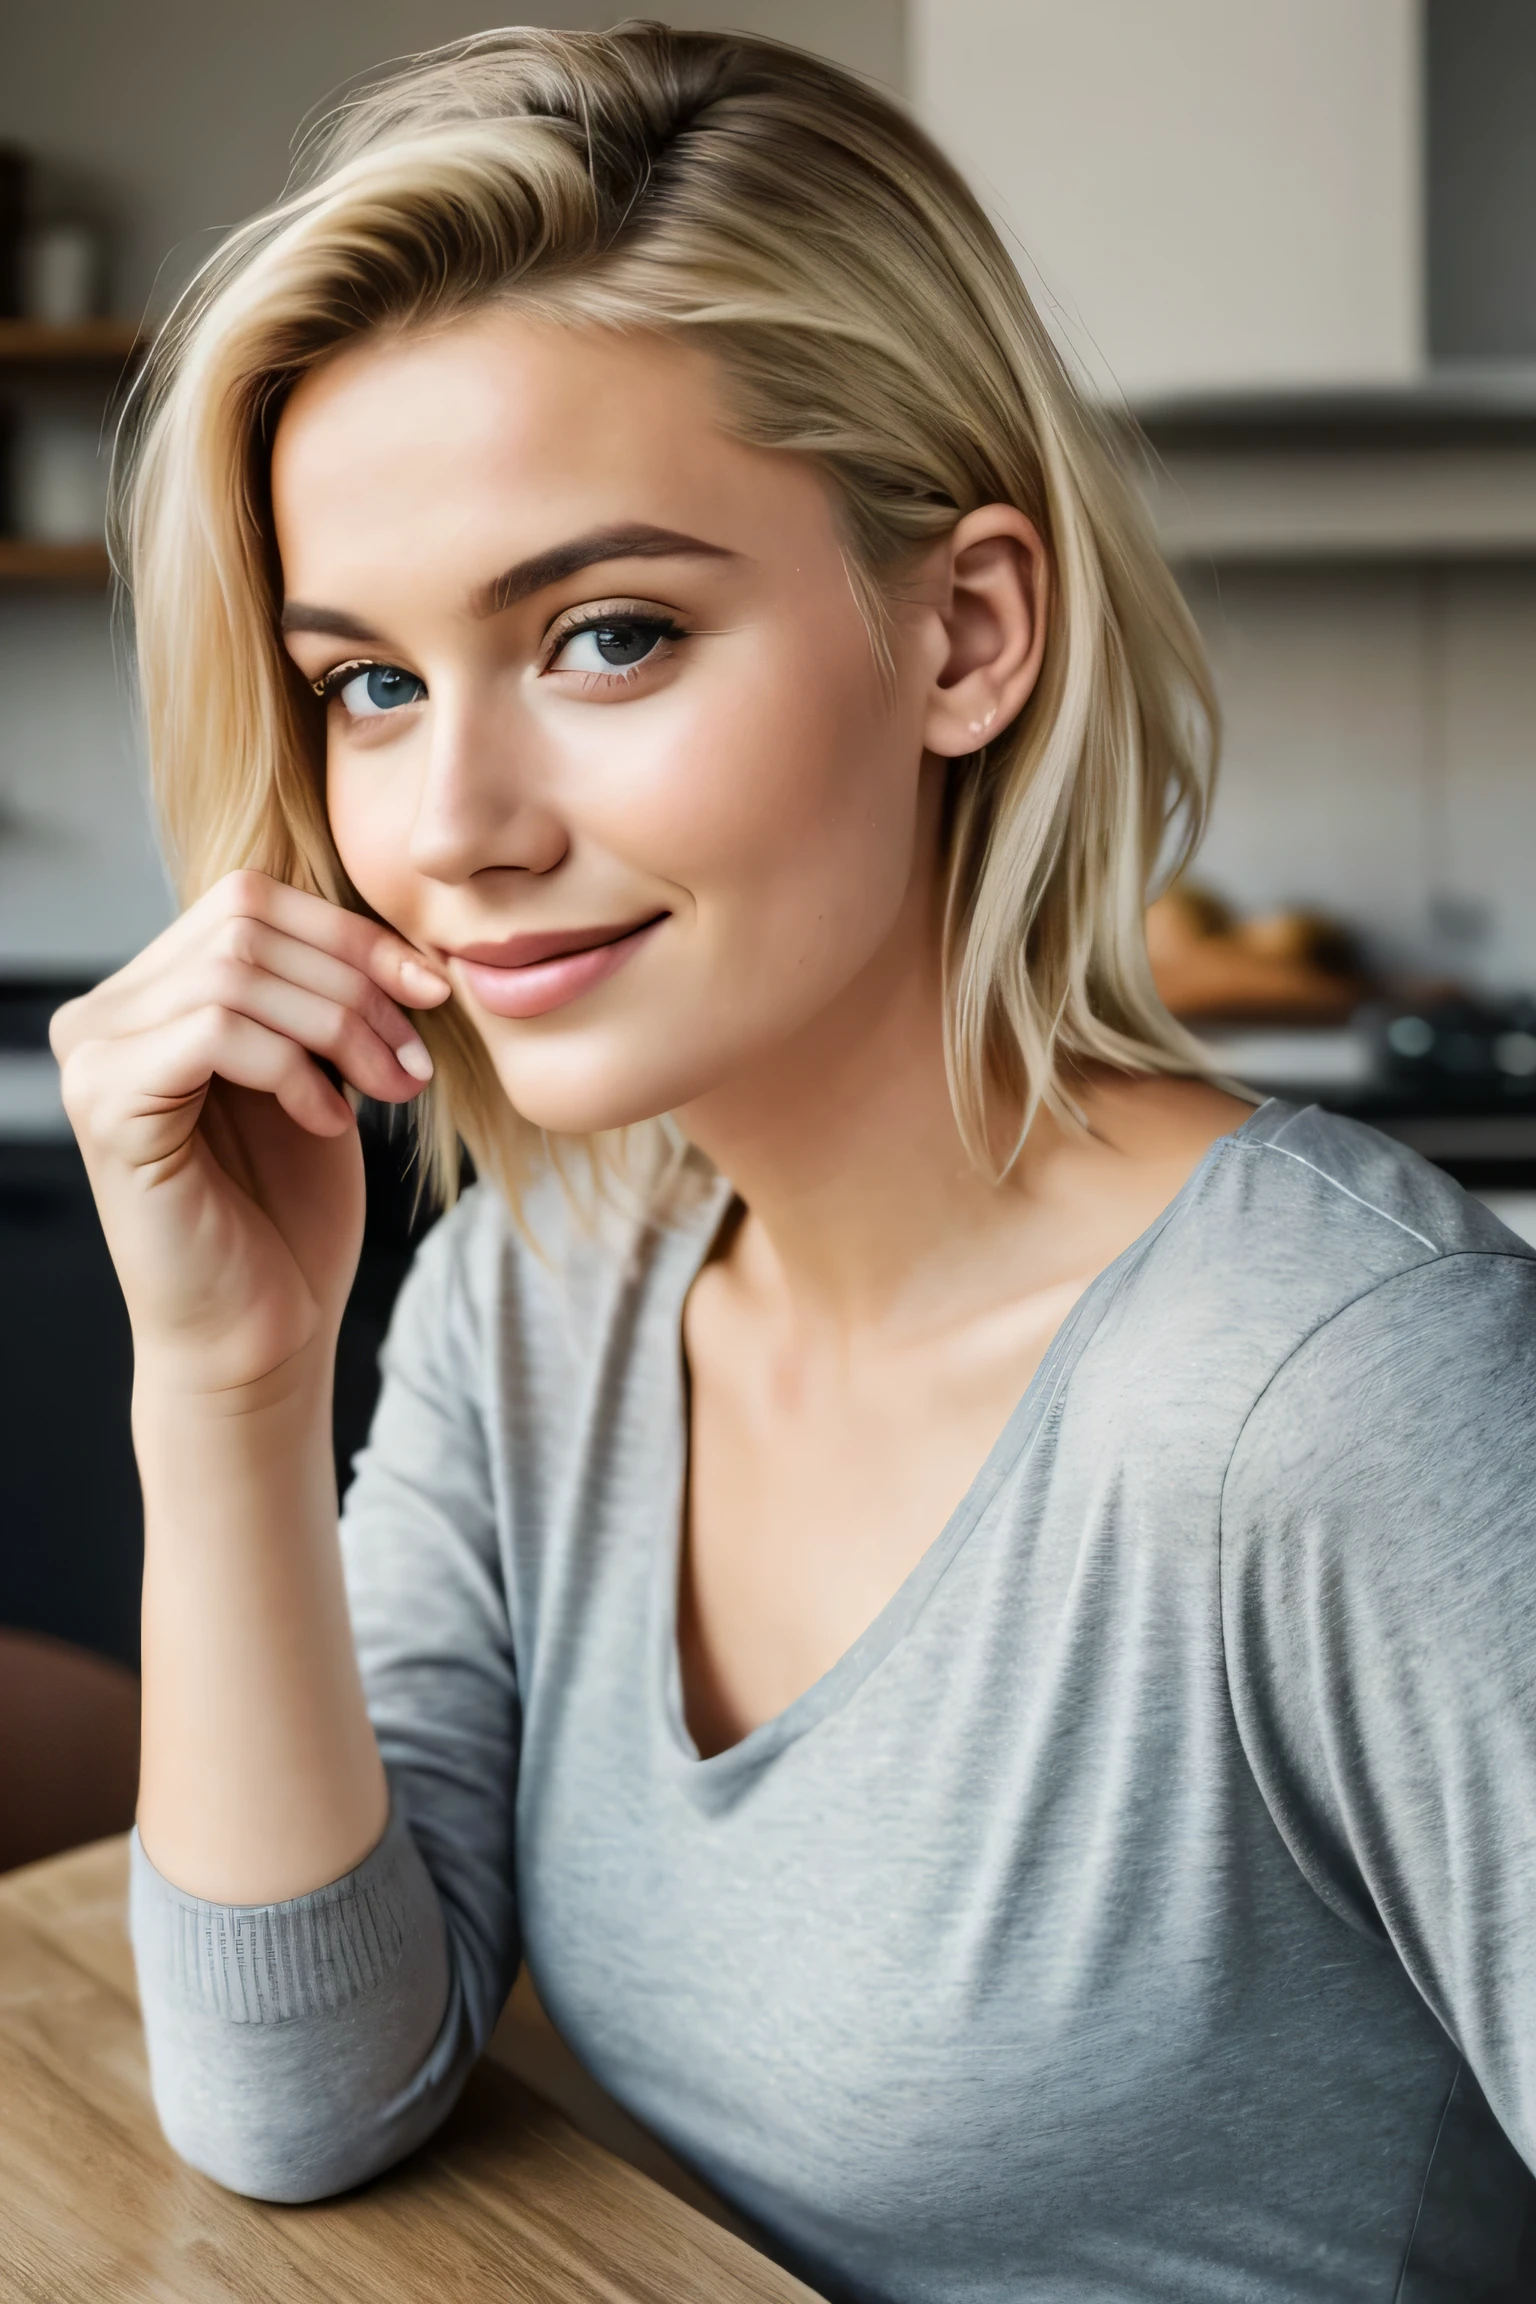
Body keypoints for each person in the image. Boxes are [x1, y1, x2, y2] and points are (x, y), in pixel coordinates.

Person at [52, 25, 1536, 2301]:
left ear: (965, 634)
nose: (453, 830)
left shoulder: (1340, 1399)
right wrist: (227, 1389)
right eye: (367, 685)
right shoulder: (537, 1300)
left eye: (608, 635)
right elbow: (304, 2095)